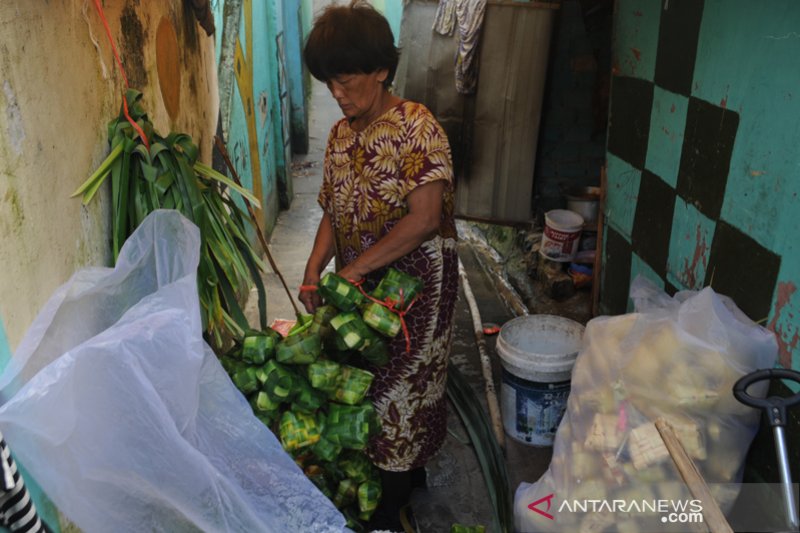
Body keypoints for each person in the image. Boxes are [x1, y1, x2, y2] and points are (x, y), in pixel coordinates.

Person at [300, 2, 458, 529]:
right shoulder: (341, 135)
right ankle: (404, 482)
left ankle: (390, 514)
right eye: (329, 84)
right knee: (365, 381)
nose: (338, 95)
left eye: (346, 81)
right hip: (364, 286)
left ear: (382, 70)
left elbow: (425, 218)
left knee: (400, 390)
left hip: (418, 286)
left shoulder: (416, 126)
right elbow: (333, 206)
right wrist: (313, 269)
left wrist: (353, 271)